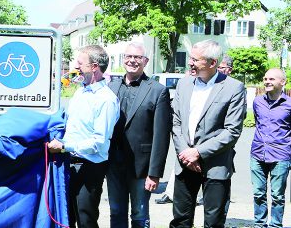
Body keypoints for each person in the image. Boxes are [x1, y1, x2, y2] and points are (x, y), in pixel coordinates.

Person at [169, 39, 246, 228]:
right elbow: (176, 122)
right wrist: (186, 152)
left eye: (196, 60)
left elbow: (232, 131)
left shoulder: (233, 88)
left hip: (215, 165)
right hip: (185, 162)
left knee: (213, 222)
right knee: (180, 220)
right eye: (190, 58)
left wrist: (198, 152)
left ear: (212, 63)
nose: (190, 63)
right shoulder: (184, 84)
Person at [47, 45, 120, 228]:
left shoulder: (106, 99)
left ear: (94, 66)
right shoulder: (80, 92)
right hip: (69, 162)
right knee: (67, 216)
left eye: (80, 63)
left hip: (90, 166)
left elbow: (99, 143)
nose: (75, 66)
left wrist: (64, 146)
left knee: (85, 219)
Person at [107, 42, 172, 228]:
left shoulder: (158, 90)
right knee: (116, 211)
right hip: (113, 163)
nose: (132, 61)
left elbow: (161, 137)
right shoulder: (111, 87)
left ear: (145, 61)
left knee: (140, 214)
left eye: (137, 57)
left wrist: (154, 173)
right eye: (129, 56)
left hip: (141, 168)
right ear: (123, 59)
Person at [250, 68, 291, 228]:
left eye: (272, 79)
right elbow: (257, 122)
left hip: (281, 155)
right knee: (258, 193)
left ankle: (275, 225)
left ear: (283, 82)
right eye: (265, 78)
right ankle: (259, 225)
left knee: (277, 195)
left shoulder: (289, 105)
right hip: (257, 154)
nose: (267, 81)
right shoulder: (257, 102)